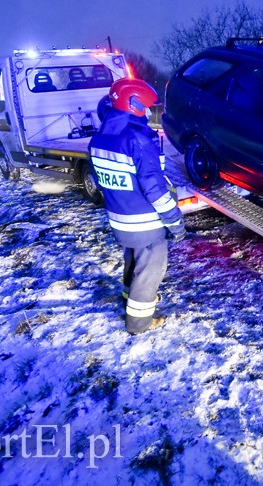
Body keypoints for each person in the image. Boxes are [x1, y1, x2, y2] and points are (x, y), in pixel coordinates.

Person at [88, 78, 186, 335]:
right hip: (146, 223)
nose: (148, 113)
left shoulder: (100, 138)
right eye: (145, 108)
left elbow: (103, 181)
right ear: (134, 105)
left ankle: (128, 298)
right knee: (150, 272)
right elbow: (154, 190)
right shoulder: (139, 141)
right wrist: (175, 223)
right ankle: (139, 323)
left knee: (132, 261)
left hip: (120, 220)